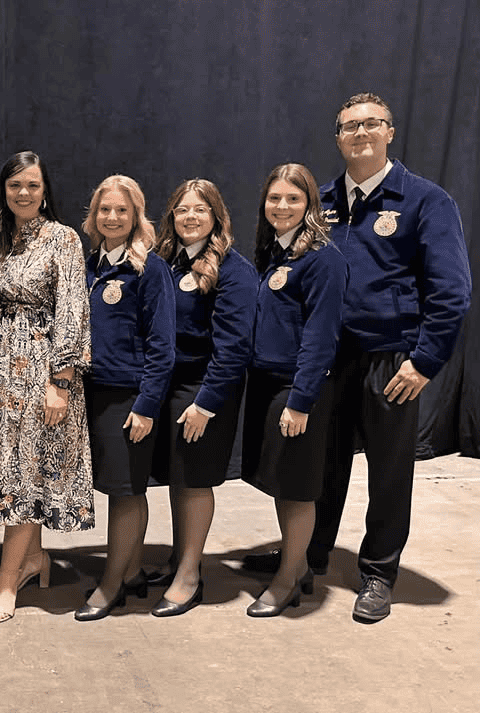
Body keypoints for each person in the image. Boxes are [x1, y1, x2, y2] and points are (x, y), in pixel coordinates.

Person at [244, 93, 472, 623]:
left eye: (372, 124)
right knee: (318, 464)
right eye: (350, 126)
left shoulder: (425, 201)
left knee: (390, 470)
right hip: (327, 357)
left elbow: (452, 290)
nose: (361, 133)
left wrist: (424, 361)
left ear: (390, 132)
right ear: (338, 137)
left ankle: (378, 571)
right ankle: (309, 554)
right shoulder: (316, 201)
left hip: (390, 359)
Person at [0, 150, 93, 624]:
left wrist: (60, 381)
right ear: (4, 190)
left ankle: (6, 585)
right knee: (20, 467)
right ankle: (33, 560)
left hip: (41, 370)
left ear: (46, 192)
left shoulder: (62, 238)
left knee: (24, 473)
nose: (24, 193)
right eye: (15, 185)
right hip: (1, 373)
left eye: (33, 185)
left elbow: (73, 309)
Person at [147, 179, 257, 617]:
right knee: (178, 476)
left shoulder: (233, 270)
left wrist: (207, 403)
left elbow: (234, 348)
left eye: (200, 210)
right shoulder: (168, 263)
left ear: (216, 217)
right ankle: (179, 558)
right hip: (172, 386)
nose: (190, 217)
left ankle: (190, 576)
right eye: (181, 210)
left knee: (194, 480)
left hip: (206, 389)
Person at [241, 163, 347, 617]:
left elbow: (322, 336)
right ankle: (295, 560)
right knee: (283, 483)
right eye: (274, 199)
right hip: (268, 385)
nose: (281, 207)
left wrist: (301, 400)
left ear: (310, 205)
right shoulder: (277, 253)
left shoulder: (323, 259)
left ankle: (289, 579)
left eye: (293, 199)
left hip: (298, 389)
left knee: (299, 488)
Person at [74, 175, 175, 622]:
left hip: (129, 397)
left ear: (136, 216)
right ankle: (131, 571)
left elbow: (162, 346)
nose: (112, 218)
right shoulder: (88, 264)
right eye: (104, 210)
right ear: (94, 216)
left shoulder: (149, 270)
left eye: (122, 210)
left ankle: (111, 585)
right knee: (126, 488)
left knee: (125, 492)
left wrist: (147, 405)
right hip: (94, 394)